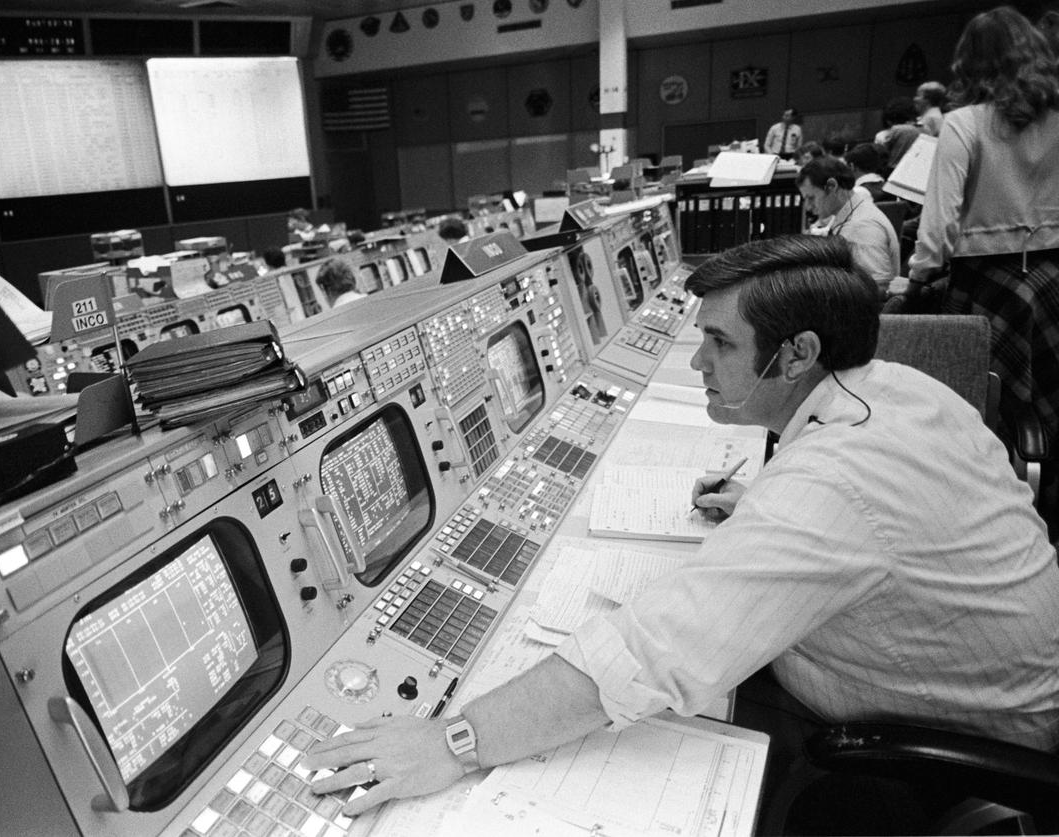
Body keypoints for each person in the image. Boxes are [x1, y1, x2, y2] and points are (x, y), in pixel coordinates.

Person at [302, 235, 1059, 825]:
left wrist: (448, 740)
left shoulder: (832, 487)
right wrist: (762, 500)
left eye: (723, 343)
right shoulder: (898, 387)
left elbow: (647, 654)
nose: (698, 361)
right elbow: (872, 520)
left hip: (981, 743)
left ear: (799, 352)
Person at [908, 5, 1059, 442]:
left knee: (975, 407)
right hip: (1052, 281)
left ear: (969, 62)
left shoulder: (963, 123)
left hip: (985, 285)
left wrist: (918, 279)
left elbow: (938, 225)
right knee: (1048, 400)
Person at [797, 157, 900, 295]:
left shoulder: (861, 226)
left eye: (811, 198)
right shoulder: (854, 210)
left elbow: (878, 287)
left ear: (832, 186)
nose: (808, 207)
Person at [874, 96, 923, 175]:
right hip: (917, 171)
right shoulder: (924, 129)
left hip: (892, 171)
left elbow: (880, 155)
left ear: (888, 120)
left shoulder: (884, 134)